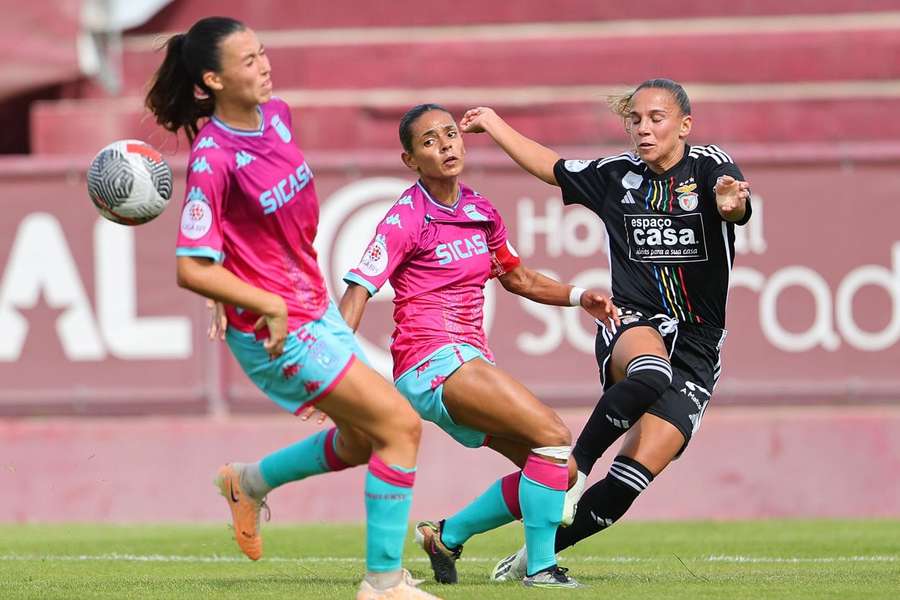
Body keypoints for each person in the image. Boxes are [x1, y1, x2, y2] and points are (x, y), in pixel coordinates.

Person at [144, 17, 439, 600]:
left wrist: (237, 282)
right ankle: (382, 585)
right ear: (212, 80)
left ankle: (247, 483)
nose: (264, 66)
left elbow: (248, 232)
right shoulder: (211, 158)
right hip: (274, 330)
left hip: (312, 306)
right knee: (400, 426)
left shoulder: (276, 117)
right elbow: (189, 265)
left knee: (360, 440)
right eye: (248, 60)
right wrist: (248, 298)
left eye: (263, 53)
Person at [458, 78, 752, 580]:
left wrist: (732, 207)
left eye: (656, 118)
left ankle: (536, 556)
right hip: (633, 320)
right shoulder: (617, 175)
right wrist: (493, 123)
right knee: (651, 371)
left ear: (684, 126)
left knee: (626, 488)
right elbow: (551, 168)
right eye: (635, 119)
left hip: (699, 343)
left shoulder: (710, 166)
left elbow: (736, 204)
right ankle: (574, 471)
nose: (643, 128)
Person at [338, 104, 619, 588]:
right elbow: (359, 288)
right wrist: (336, 374)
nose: (446, 145)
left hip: (466, 360)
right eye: (430, 141)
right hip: (433, 360)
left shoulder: (480, 210)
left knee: (558, 470)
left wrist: (578, 296)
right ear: (410, 160)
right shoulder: (406, 217)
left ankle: (446, 536)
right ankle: (542, 570)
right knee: (552, 433)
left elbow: (520, 278)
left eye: (450, 134)